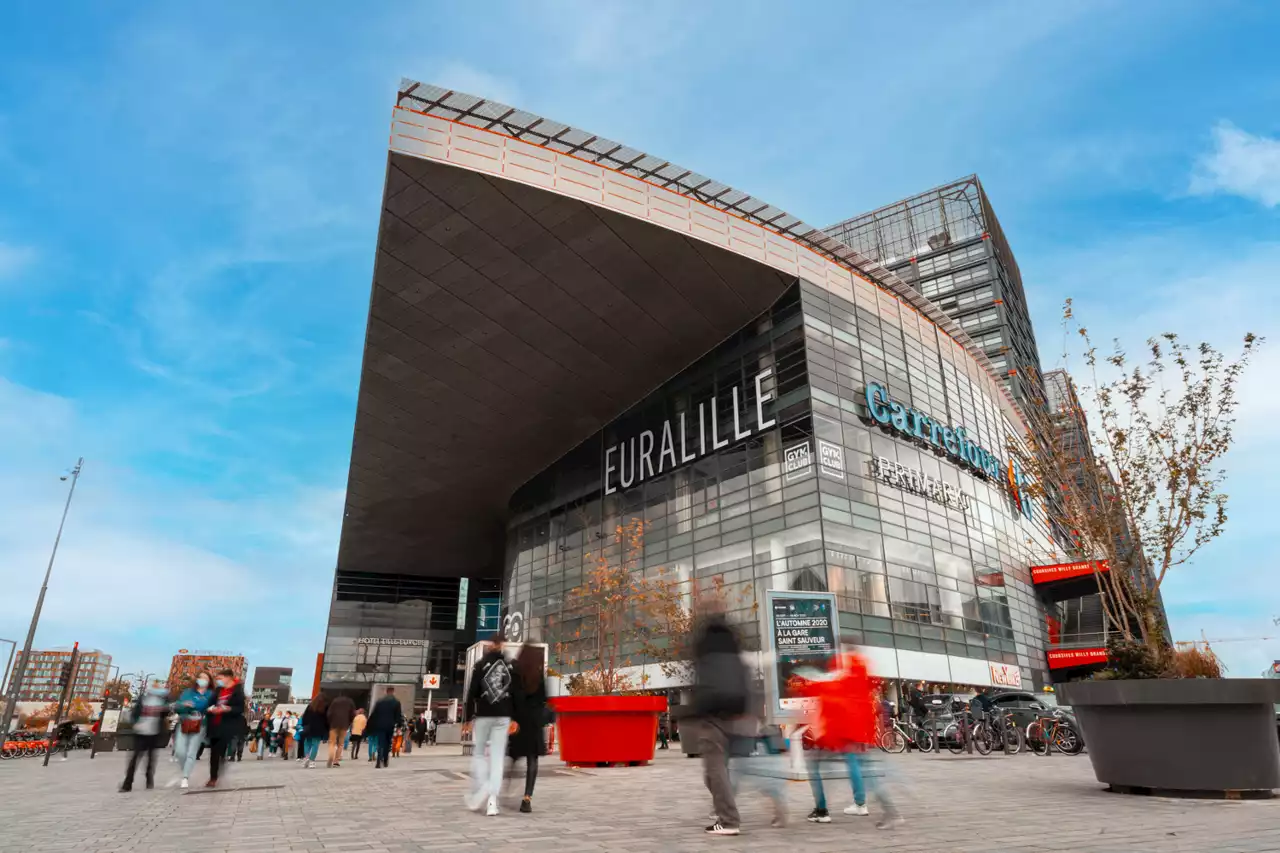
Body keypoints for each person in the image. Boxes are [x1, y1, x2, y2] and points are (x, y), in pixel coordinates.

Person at [797, 651, 900, 829]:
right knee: (863, 770)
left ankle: (823, 810)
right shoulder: (856, 670)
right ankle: (866, 805)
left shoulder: (838, 674)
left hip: (841, 734)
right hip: (856, 732)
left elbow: (827, 700)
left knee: (815, 766)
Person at [693, 609, 749, 836]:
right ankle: (724, 810)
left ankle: (728, 820)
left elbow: (703, 682)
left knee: (715, 770)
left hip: (712, 713)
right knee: (715, 770)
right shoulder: (734, 645)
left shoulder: (705, 645)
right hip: (732, 713)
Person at [464, 633, 516, 816]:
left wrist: (468, 717)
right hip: (503, 716)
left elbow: (472, 693)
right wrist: (515, 717)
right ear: (503, 645)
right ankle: (492, 801)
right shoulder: (511, 666)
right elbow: (516, 692)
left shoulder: (480, 665)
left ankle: (485, 786)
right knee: (497, 758)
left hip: (484, 714)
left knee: (478, 754)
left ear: (489, 645)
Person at [508, 643, 547, 814]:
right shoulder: (538, 675)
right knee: (533, 760)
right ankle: (527, 798)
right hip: (534, 723)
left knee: (514, 757)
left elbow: (511, 697)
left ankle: (507, 786)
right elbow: (544, 699)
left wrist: (512, 718)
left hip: (519, 722)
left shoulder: (515, 673)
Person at [121, 680, 170, 792]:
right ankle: (127, 784)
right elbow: (135, 713)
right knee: (134, 759)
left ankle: (149, 779)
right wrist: (135, 723)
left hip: (154, 733)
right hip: (140, 732)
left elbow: (167, 709)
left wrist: (165, 696)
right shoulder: (143, 699)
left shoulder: (162, 701)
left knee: (151, 759)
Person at [204, 669, 246, 788]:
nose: (218, 681)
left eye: (220, 678)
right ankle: (214, 775)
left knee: (219, 750)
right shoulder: (218, 690)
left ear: (229, 678)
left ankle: (215, 775)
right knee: (214, 752)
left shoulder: (238, 691)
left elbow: (240, 709)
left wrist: (227, 709)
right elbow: (209, 704)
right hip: (214, 724)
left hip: (228, 725)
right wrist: (211, 709)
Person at [171, 671, 214, 789]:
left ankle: (185, 777)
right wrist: (184, 704)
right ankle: (184, 769)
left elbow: (213, 708)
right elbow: (177, 707)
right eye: (201, 677)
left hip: (200, 724)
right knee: (180, 750)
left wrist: (210, 710)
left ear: (209, 681)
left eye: (206, 678)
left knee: (191, 752)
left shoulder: (210, 694)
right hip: (185, 722)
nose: (203, 680)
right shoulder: (188, 692)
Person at [367, 687, 404, 769]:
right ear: (393, 692)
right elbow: (398, 715)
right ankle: (385, 760)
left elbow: (374, 714)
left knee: (380, 743)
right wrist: (399, 726)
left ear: (386, 692)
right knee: (387, 743)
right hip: (390, 725)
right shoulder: (396, 702)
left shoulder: (379, 701)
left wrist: (371, 725)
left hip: (380, 725)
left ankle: (378, 761)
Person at [326, 692, 355, 768]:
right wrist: (349, 722)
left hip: (334, 724)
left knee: (332, 742)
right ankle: (336, 761)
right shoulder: (350, 702)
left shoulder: (335, 701)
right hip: (344, 725)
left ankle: (331, 756)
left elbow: (329, 713)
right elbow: (353, 714)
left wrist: (330, 722)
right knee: (340, 744)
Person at [300, 693, 329, 769]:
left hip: (308, 728)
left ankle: (306, 758)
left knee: (307, 743)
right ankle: (312, 761)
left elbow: (304, 718)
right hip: (318, 728)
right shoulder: (325, 707)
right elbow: (327, 720)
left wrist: (304, 725)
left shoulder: (310, 706)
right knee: (315, 745)